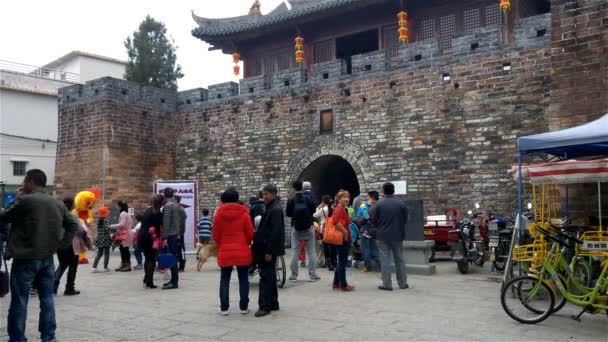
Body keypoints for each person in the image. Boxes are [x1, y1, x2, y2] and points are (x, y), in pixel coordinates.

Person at [1, 169, 79, 342]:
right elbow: (73, 223)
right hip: (47, 257)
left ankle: (17, 338)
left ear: (30, 181)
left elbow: (4, 217)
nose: (22, 185)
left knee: (20, 300)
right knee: (47, 298)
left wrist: (15, 199)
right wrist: (62, 244)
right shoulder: (57, 203)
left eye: (23, 182)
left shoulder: (25, 201)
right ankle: (49, 336)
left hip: (25, 258)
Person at [213, 188, 255, 315]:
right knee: (243, 279)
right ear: (237, 199)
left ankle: (224, 307)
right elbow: (250, 233)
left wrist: (222, 244)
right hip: (241, 249)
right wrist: (246, 243)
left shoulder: (219, 214)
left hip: (225, 249)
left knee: (224, 279)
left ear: (223, 200)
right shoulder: (244, 213)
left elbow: (215, 234)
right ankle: (243, 307)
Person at [252, 184, 285, 317]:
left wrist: (269, 251)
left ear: (274, 194)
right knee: (270, 276)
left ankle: (264, 306)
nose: (264, 196)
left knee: (265, 277)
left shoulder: (275, 209)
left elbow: (275, 232)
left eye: (266, 194)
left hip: (268, 248)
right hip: (266, 247)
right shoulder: (272, 207)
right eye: (263, 194)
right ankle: (273, 302)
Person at [372, 182, 409, 291]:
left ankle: (387, 284)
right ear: (394, 190)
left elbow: (374, 221)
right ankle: (402, 283)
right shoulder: (401, 204)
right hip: (398, 235)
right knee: (399, 259)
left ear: (383, 191)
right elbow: (405, 219)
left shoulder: (378, 204)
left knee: (385, 260)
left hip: (383, 236)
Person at [54, 195, 90, 296]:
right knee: (72, 267)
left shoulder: (57, 216)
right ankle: (69, 288)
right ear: (72, 205)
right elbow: (79, 230)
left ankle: (53, 287)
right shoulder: (72, 216)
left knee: (62, 265)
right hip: (71, 244)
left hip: (59, 244)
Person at [286, 180, 319, 282]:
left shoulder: (291, 200)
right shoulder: (308, 198)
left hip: (295, 228)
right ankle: (312, 275)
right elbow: (313, 211)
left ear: (293, 188)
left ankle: (294, 275)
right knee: (311, 251)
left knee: (295, 251)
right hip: (309, 226)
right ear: (303, 188)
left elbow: (288, 214)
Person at [139, 194, 164, 289]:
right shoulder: (157, 212)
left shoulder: (148, 210)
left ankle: (146, 279)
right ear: (160, 202)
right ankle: (150, 282)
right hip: (151, 237)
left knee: (147, 258)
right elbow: (159, 226)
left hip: (143, 236)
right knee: (152, 259)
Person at [331, 190, 355, 292]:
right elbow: (335, 222)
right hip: (342, 239)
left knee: (340, 261)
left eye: (347, 197)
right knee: (342, 263)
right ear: (339, 199)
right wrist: (345, 232)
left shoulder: (343, 209)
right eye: (343, 197)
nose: (346, 199)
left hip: (343, 238)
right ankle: (343, 285)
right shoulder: (339, 209)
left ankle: (336, 283)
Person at [162, 187, 181, 290]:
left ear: (164, 195)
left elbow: (166, 223)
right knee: (174, 257)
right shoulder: (175, 205)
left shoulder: (168, 206)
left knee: (172, 257)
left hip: (170, 235)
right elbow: (178, 221)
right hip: (174, 234)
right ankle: (173, 280)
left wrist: (164, 237)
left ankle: (174, 282)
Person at [357, 191, 379, 273]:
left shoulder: (364, 206)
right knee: (373, 248)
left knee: (365, 248)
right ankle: (380, 261)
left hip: (365, 229)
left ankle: (368, 267)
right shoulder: (377, 206)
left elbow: (360, 217)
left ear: (371, 197)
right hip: (374, 230)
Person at [111, 201, 133, 272]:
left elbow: (122, 224)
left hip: (125, 234)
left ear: (120, 206)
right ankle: (123, 264)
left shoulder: (123, 214)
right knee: (123, 249)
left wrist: (112, 226)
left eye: (117, 205)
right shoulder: (126, 214)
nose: (116, 207)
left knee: (124, 250)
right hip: (126, 233)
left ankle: (127, 265)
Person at [314, 195, 333, 269]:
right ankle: (332, 261)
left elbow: (315, 215)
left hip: (324, 228)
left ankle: (326, 261)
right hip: (331, 227)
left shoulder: (322, 209)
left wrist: (318, 207)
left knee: (324, 245)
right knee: (331, 245)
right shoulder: (332, 208)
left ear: (323, 201)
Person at [92, 207, 112, 273]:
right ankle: (105, 268)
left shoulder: (98, 220)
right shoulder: (105, 220)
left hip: (100, 238)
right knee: (107, 253)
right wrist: (114, 229)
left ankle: (94, 268)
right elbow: (107, 229)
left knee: (99, 254)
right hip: (106, 239)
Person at [175, 195, 187, 272]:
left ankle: (182, 265)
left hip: (178, 233)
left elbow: (181, 223)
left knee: (179, 249)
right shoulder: (177, 209)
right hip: (176, 232)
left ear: (176, 200)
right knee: (176, 249)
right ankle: (178, 264)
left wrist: (179, 234)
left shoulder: (180, 209)